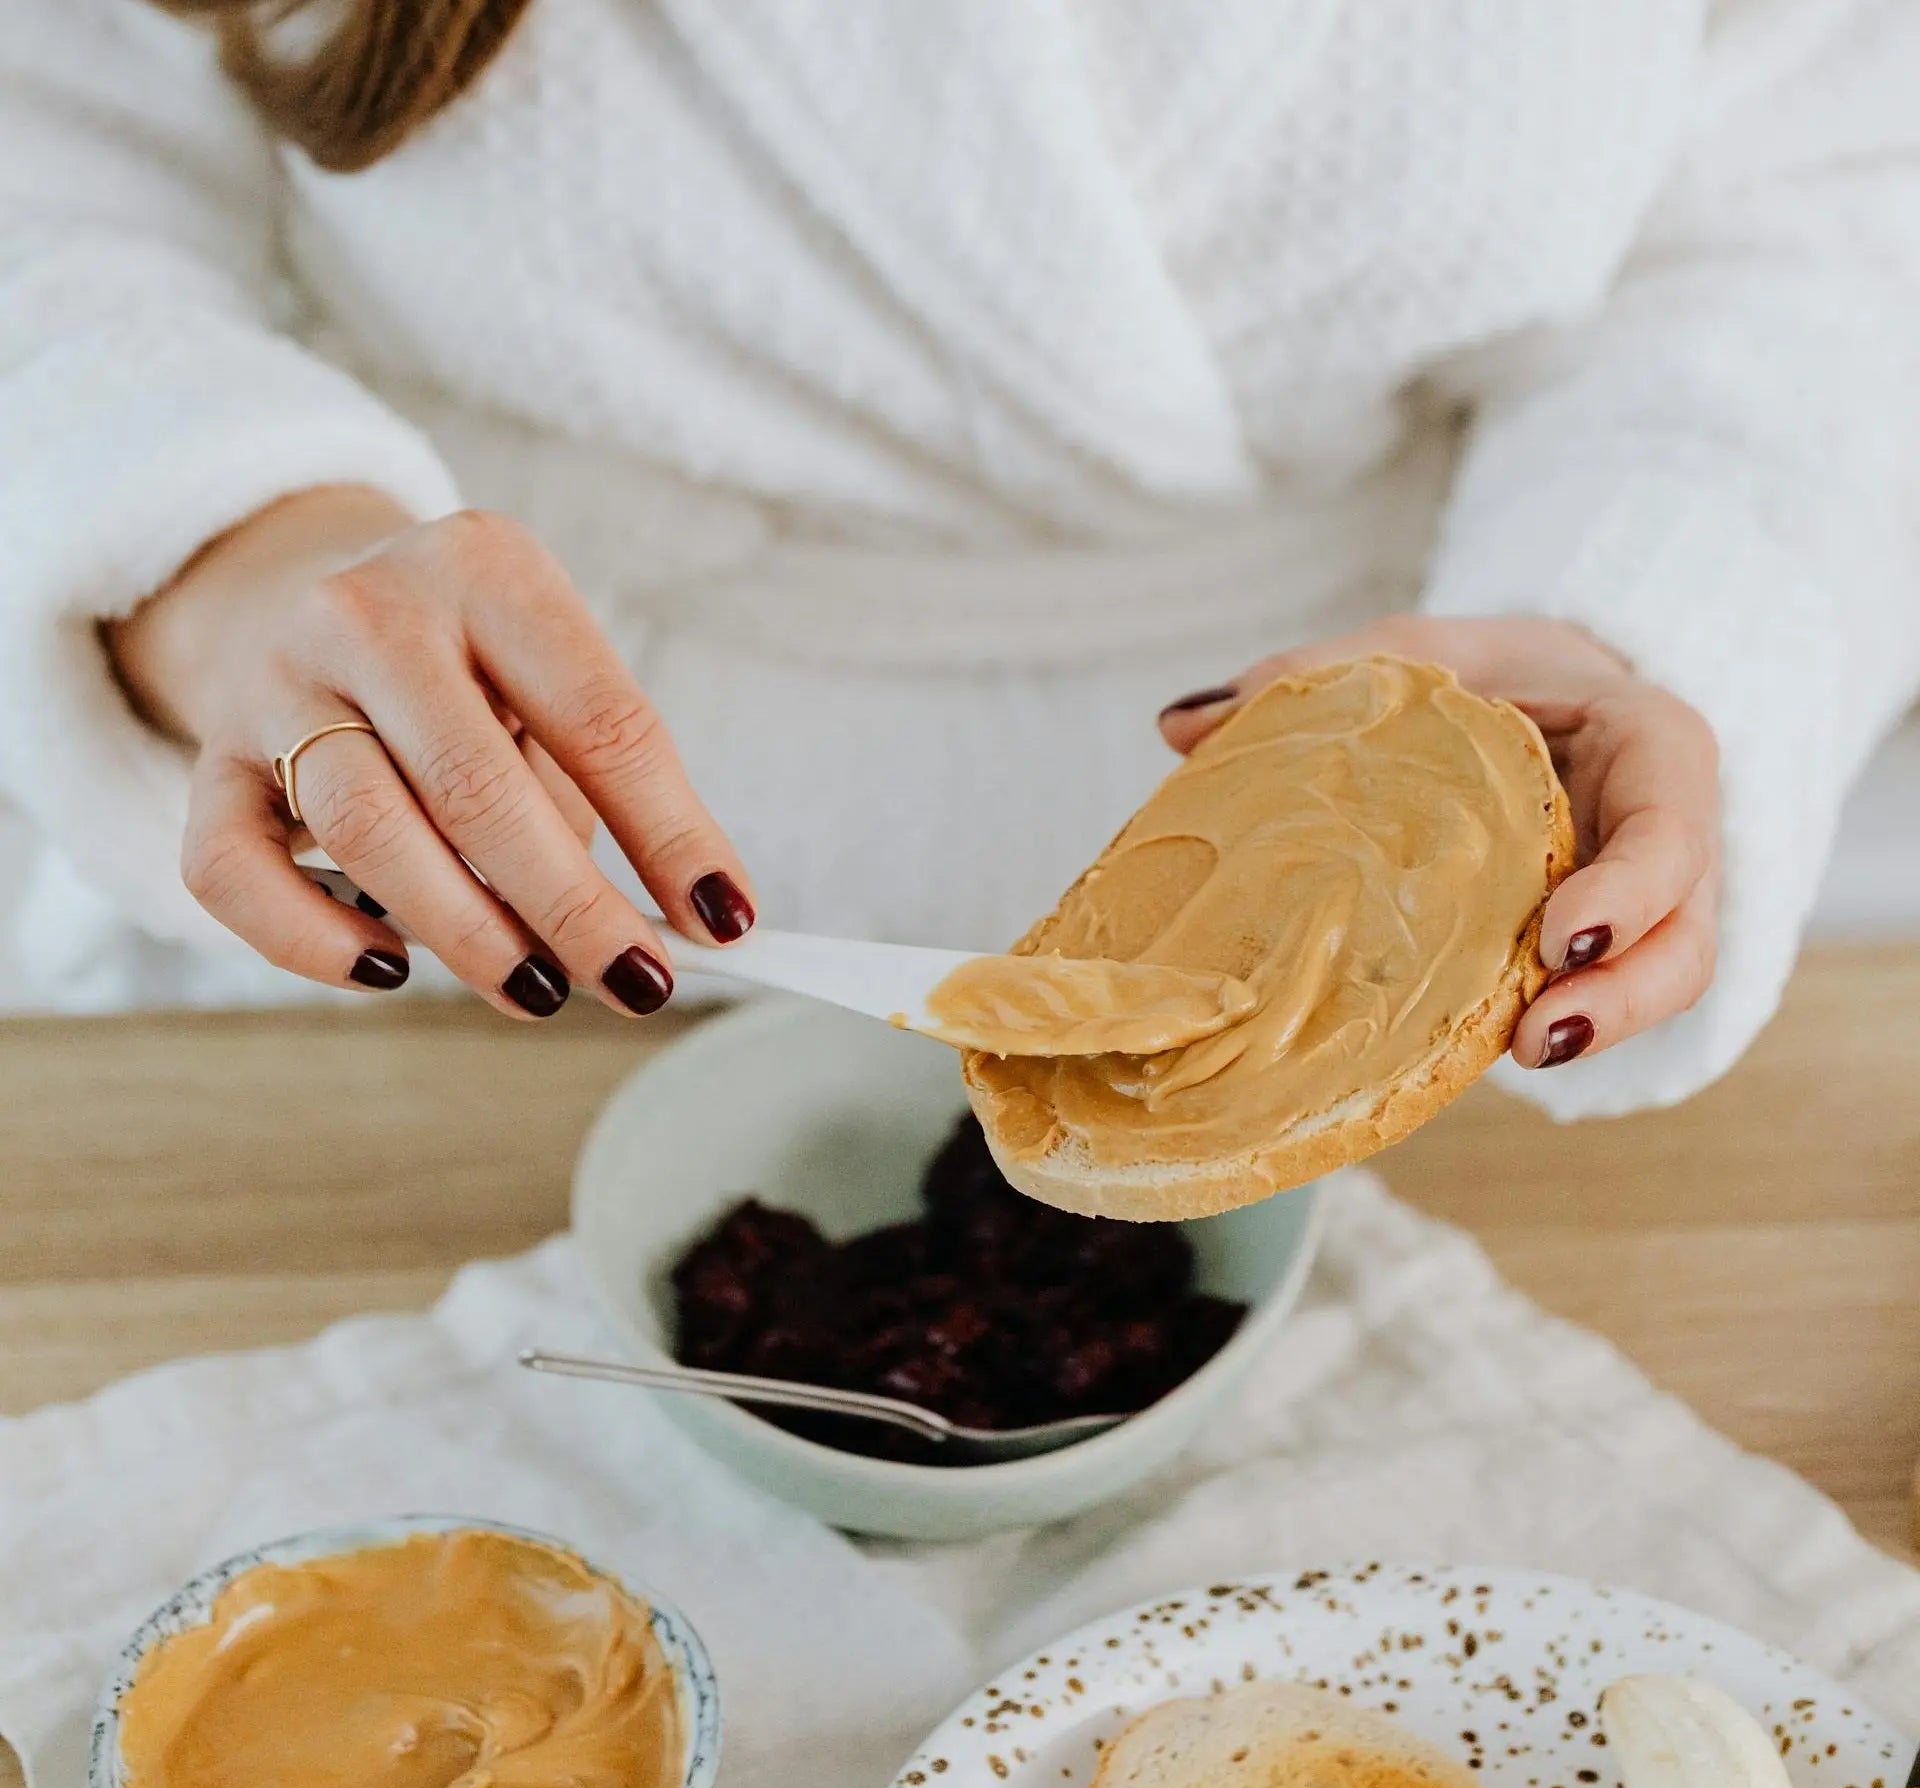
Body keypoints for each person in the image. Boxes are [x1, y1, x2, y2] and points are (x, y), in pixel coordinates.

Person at [1, 0, 1916, 1122]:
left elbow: (1823, 208)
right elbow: (51, 169)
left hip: (1405, 883)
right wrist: (233, 547)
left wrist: (1635, 608)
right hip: (499, 857)